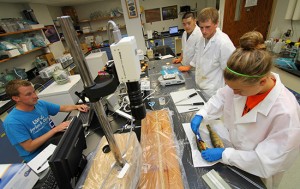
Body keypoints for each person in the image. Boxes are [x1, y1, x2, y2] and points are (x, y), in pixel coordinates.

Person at [190, 31, 300, 188]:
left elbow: (266, 162)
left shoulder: (286, 113)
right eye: (231, 88)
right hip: (233, 154)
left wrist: (225, 154)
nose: (234, 93)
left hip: (257, 173)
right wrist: (202, 113)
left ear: (262, 82)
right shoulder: (243, 84)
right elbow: (221, 97)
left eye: (239, 90)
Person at [3, 79, 89, 162]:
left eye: (34, 91)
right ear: (16, 98)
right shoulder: (12, 122)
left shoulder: (40, 104)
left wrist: (76, 106)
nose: (35, 96)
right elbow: (29, 147)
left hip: (51, 142)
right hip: (38, 156)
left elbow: (63, 108)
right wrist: (55, 130)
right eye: (28, 94)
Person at [190, 7, 235, 98]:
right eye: (201, 27)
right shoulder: (202, 38)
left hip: (213, 93)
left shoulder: (224, 43)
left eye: (207, 27)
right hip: (200, 86)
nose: (204, 31)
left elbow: (230, 72)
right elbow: (198, 56)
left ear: (216, 24)